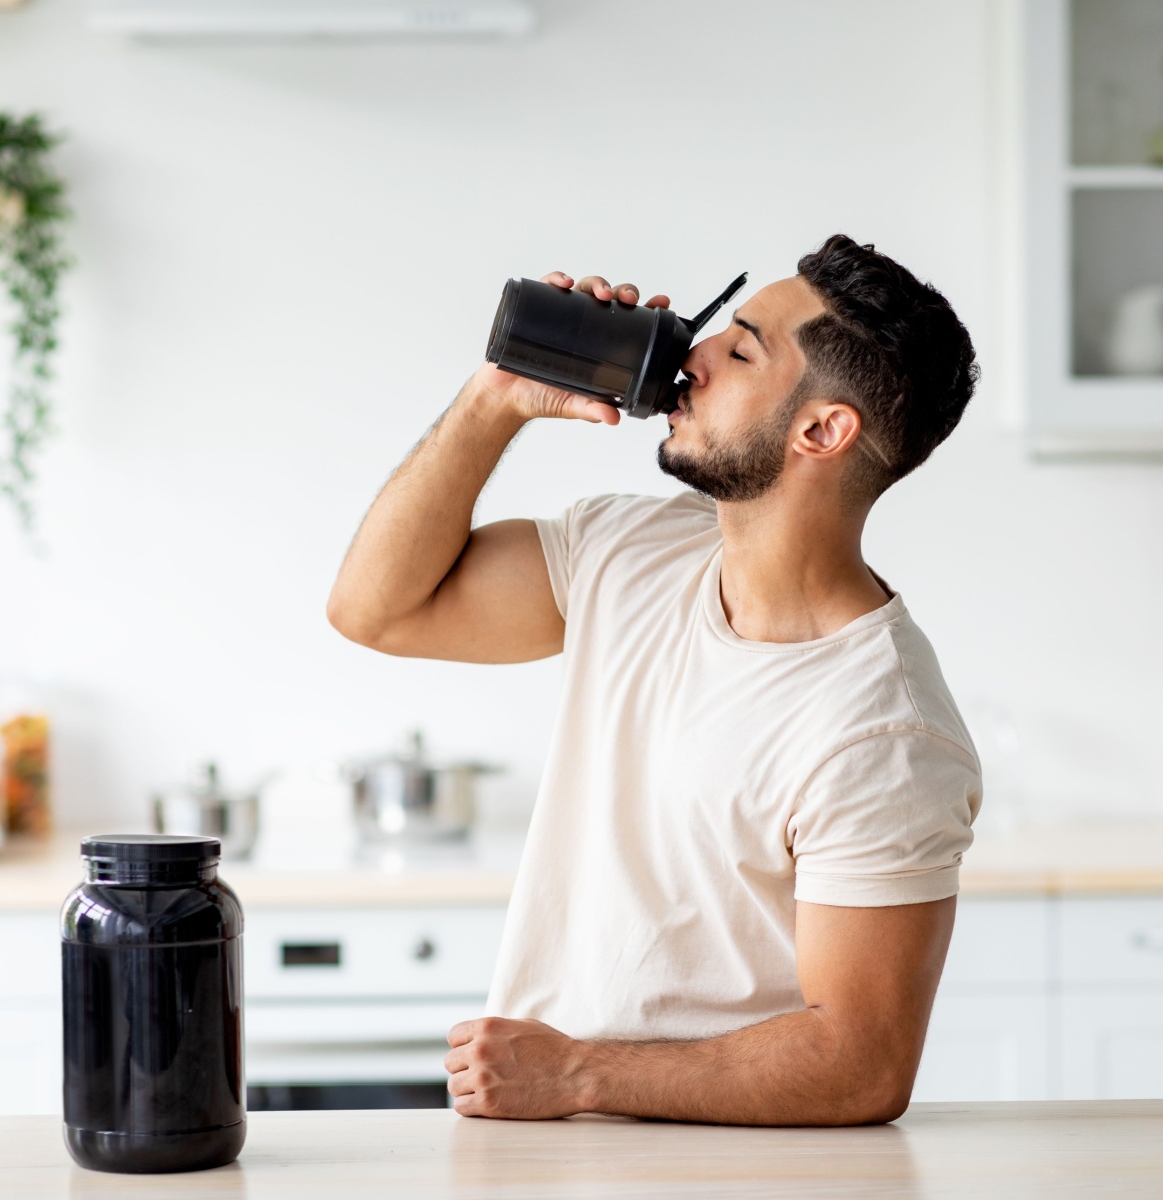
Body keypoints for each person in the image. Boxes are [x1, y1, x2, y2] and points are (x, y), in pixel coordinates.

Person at [327, 234, 982, 1126]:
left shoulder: (886, 733)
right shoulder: (630, 552)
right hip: (547, 1153)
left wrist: (577, 1075)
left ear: (822, 431)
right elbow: (377, 609)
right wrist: (498, 399)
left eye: (742, 348)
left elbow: (858, 1063)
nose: (694, 353)